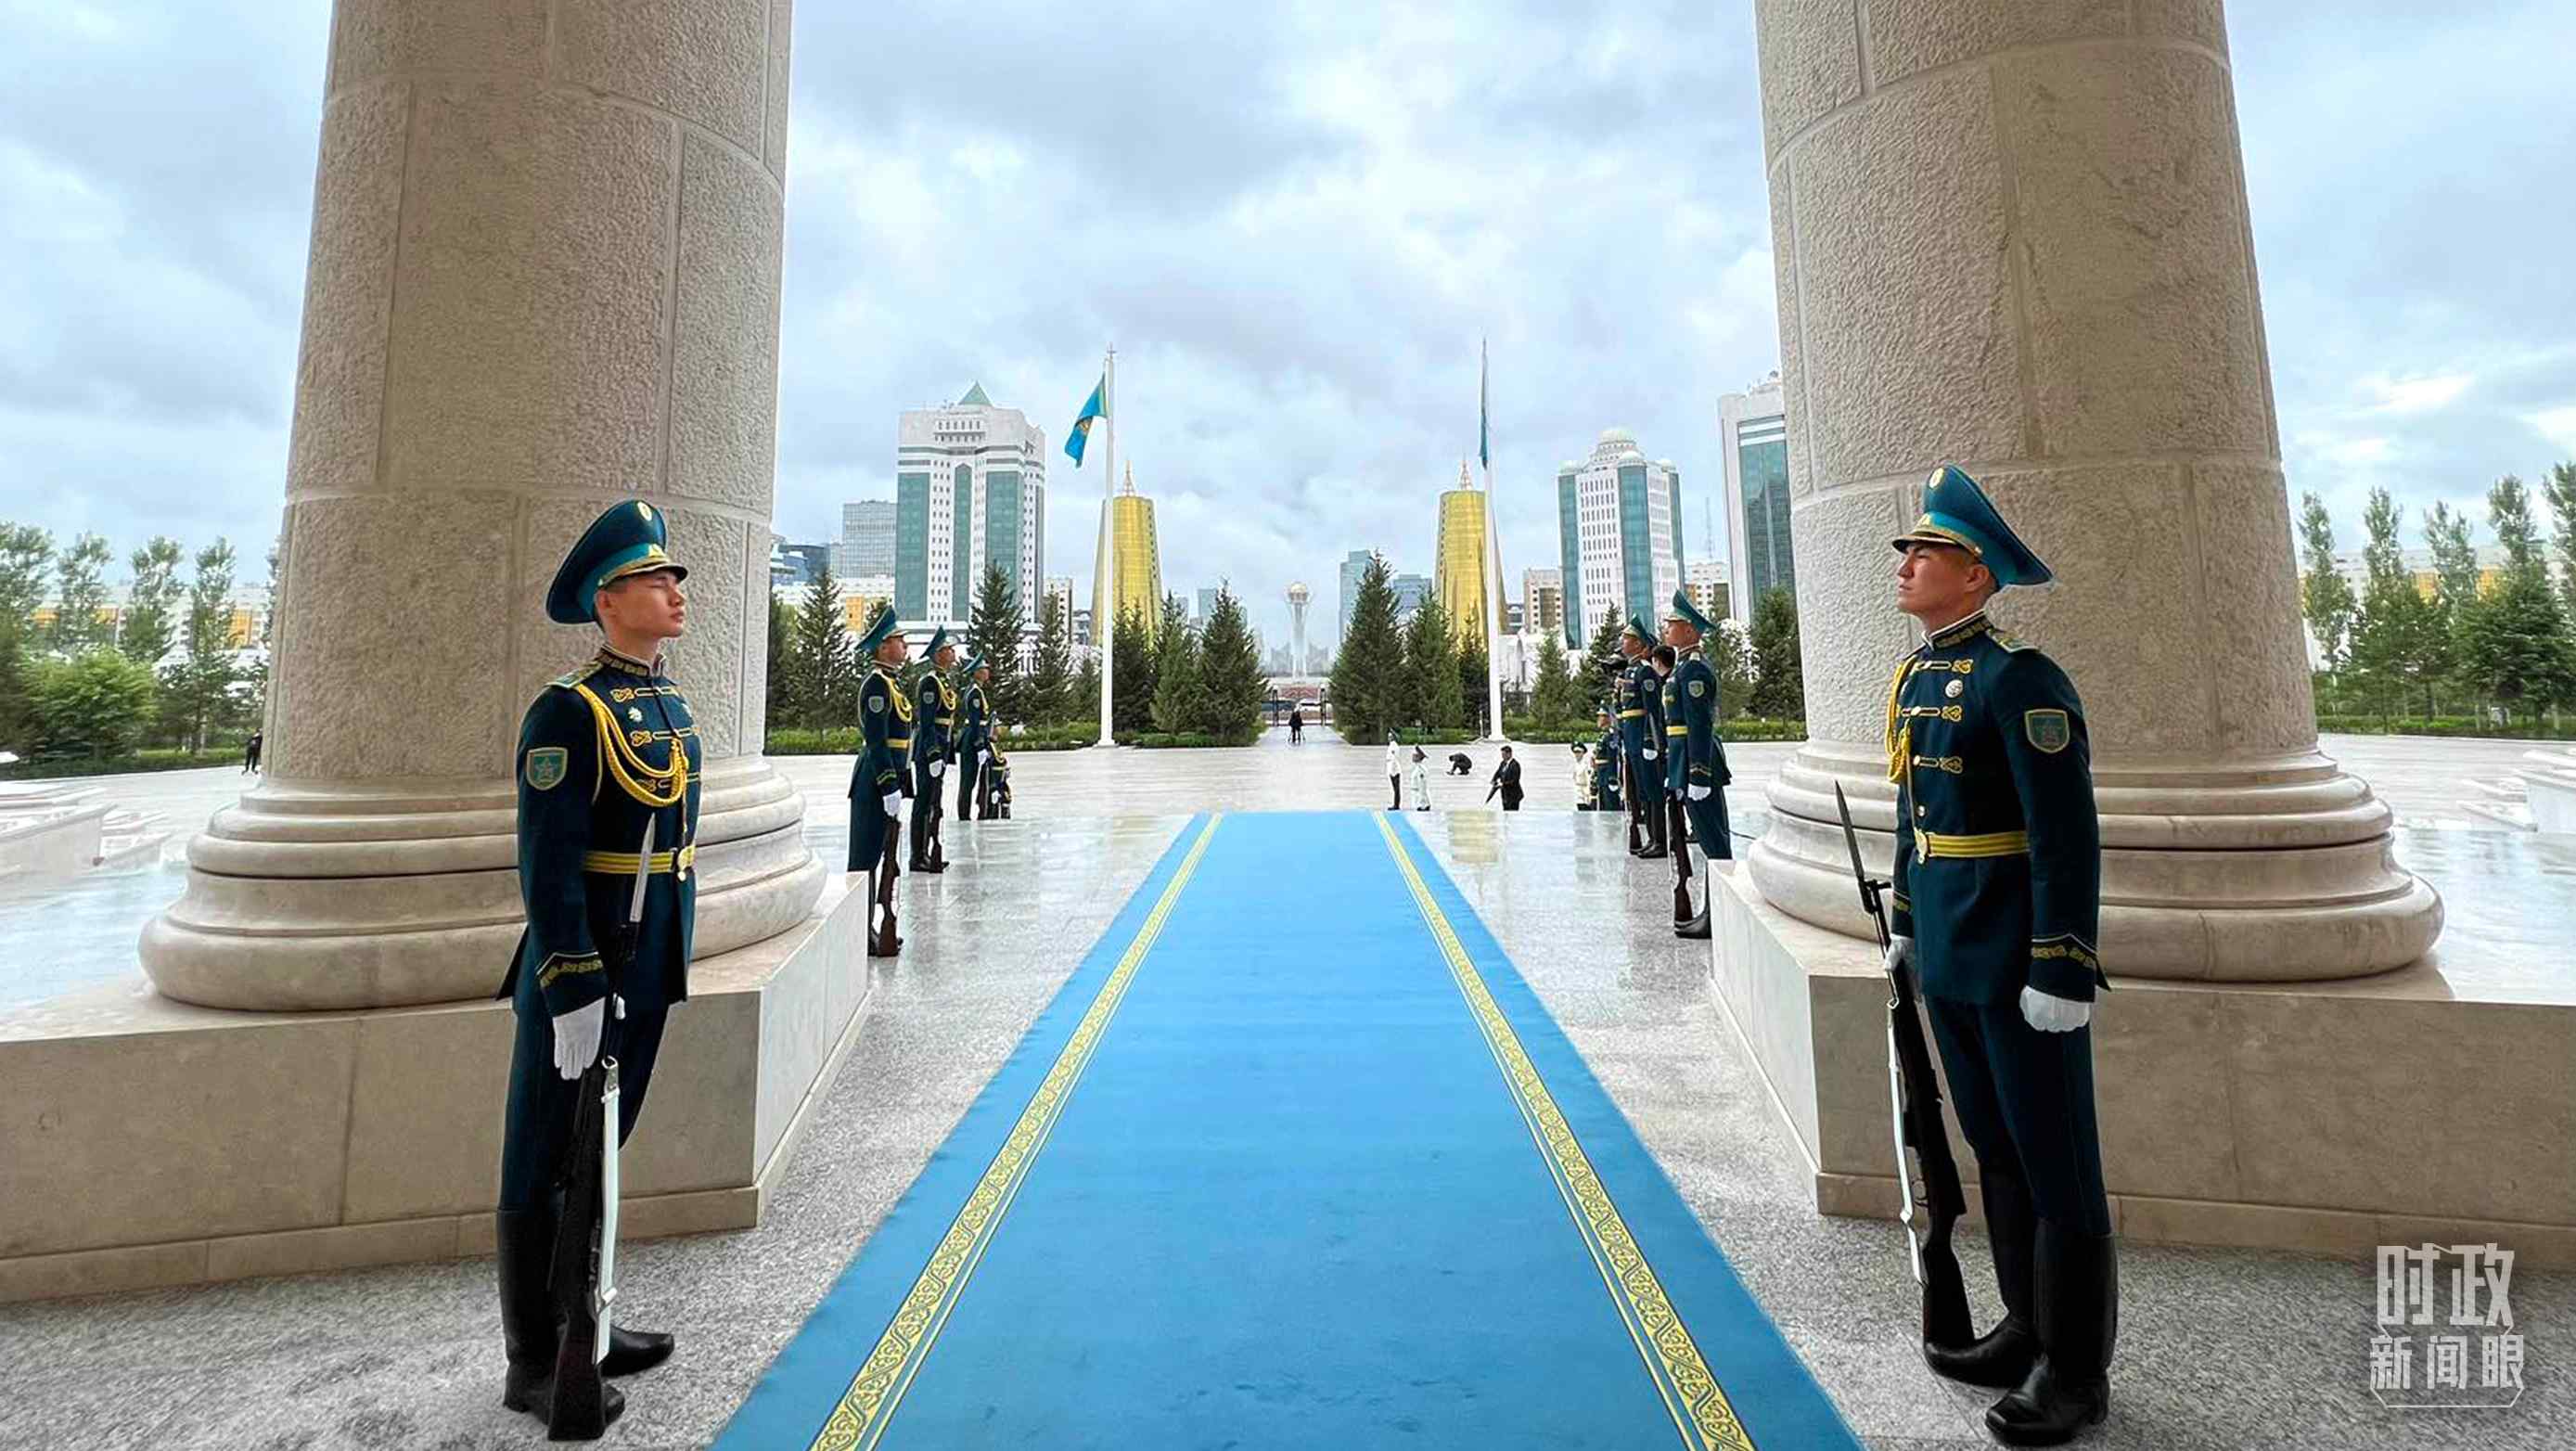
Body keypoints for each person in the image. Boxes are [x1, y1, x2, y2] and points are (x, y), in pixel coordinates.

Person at [1883, 465, 2112, 1445]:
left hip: (2016, 954)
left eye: (1924, 553)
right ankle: (2024, 1326)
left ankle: (2075, 1370)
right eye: (1907, 551)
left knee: (2057, 1166)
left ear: (1975, 575)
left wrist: (2060, 963)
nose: (1905, 565)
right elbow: (1915, 814)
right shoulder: (1916, 676)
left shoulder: (2017, 678)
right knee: (1993, 1150)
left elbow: (2064, 834)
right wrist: (1905, 917)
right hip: (1948, 948)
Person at [493, 500, 697, 1434]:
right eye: (654, 579)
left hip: (647, 957)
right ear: (606, 600)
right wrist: (570, 980)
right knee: (546, 1159)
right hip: (585, 965)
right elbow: (548, 860)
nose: (674, 590)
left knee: (601, 1150)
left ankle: (593, 1320)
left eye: (671, 577)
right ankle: (536, 1359)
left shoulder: (664, 703)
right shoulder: (568, 711)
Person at [1662, 591, 1735, 940]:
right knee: (1708, 841)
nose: (1666, 629)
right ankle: (1711, 912)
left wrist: (1698, 775)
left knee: (1714, 843)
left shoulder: (1694, 670)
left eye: (1672, 624)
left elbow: (1700, 725)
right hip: (1685, 762)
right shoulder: (1683, 667)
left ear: (1690, 630)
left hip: (1698, 764)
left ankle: (1718, 915)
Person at [847, 608, 909, 955]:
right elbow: (876, 741)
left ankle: (870, 927)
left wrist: (901, 783)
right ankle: (859, 930)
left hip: (887, 782)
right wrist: (888, 785)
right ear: (883, 646)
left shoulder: (890, 683)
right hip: (872, 783)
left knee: (880, 857)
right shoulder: (875, 685)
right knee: (865, 860)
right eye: (899, 640)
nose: (904, 646)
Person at [1617, 616, 1668, 858]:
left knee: (1654, 791)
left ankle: (1660, 840)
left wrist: (1650, 741)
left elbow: (1653, 710)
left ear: (1638, 644)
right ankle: (1651, 838)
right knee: (1643, 791)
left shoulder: (1646, 671)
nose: (1623, 642)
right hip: (1632, 738)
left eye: (1627, 639)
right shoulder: (1631, 670)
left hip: (1643, 740)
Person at [910, 628, 960, 871]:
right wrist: (933, 754)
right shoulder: (930, 682)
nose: (953, 654)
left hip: (941, 748)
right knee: (923, 802)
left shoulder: (943, 680)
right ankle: (917, 856)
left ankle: (929, 851)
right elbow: (927, 722)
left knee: (934, 803)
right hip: (930, 750)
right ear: (938, 654)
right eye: (949, 650)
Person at [955, 655, 993, 821]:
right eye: (984, 669)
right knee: (968, 780)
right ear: (976, 672)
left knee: (970, 779)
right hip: (972, 739)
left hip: (973, 737)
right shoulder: (975, 693)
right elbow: (975, 721)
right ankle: (964, 815)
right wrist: (979, 746)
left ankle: (966, 812)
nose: (987, 672)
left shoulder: (976, 690)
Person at [1590, 706, 1623, 815]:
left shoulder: (1611, 734)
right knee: (1603, 806)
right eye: (1599, 716)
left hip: (1608, 773)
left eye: (1603, 716)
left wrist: (1612, 777)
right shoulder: (1603, 734)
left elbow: (1613, 757)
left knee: (1611, 805)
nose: (1599, 719)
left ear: (1609, 718)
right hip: (1601, 773)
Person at [1571, 740, 1596, 809]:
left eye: (1579, 752)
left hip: (1584, 793)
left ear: (1583, 753)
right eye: (1575, 752)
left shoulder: (1586, 764)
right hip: (1578, 792)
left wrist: (1588, 794)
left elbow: (1588, 779)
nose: (1576, 754)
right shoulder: (1576, 764)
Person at [1408, 746, 1431, 810]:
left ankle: (1423, 805)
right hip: (1416, 789)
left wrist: (1421, 805)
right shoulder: (1417, 767)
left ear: (1418, 757)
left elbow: (1422, 787)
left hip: (1419, 790)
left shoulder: (1421, 768)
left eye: (1414, 756)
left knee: (1422, 791)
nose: (1412, 758)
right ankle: (1424, 804)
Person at [1385, 732, 1403, 810]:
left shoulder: (1393, 746)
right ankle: (1395, 804)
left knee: (1396, 789)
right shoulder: (1392, 745)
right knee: (1395, 789)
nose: (1388, 738)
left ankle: (1396, 805)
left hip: (1394, 770)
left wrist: (1393, 771)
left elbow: (1394, 759)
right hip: (1392, 768)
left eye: (1390, 737)